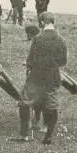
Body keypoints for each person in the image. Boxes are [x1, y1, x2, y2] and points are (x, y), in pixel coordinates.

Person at [10, 12, 67, 145]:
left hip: (36, 77)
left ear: (42, 23)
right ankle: (48, 136)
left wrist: (31, 64)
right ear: (53, 22)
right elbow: (63, 61)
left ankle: (24, 134)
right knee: (52, 105)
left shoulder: (37, 39)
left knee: (24, 101)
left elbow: (31, 60)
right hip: (53, 77)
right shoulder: (61, 40)